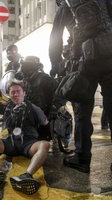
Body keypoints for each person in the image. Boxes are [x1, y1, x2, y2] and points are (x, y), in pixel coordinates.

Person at [49, 0, 112, 173]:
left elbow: (56, 37)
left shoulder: (66, 5)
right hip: (110, 56)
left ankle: (82, 158)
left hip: (84, 62)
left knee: (83, 111)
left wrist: (56, 65)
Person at [0, 80, 50, 195]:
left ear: (24, 93)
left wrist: (43, 138)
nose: (15, 94)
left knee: (45, 144)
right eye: (12, 92)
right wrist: (13, 114)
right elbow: (6, 126)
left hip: (28, 144)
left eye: (18, 91)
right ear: (9, 94)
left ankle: (26, 176)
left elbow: (45, 123)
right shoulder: (9, 108)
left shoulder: (34, 108)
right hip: (11, 143)